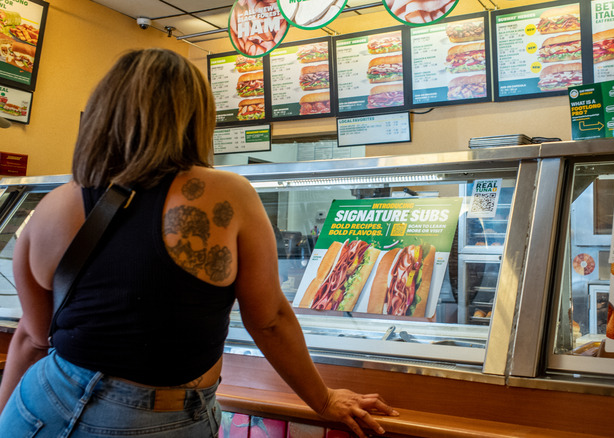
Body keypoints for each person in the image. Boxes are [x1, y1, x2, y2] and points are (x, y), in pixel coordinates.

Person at [0, 48, 397, 437]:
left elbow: (32, 338)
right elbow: (269, 319)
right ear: (195, 117)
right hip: (152, 419)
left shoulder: (52, 205)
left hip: (40, 403)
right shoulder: (226, 193)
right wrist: (323, 401)